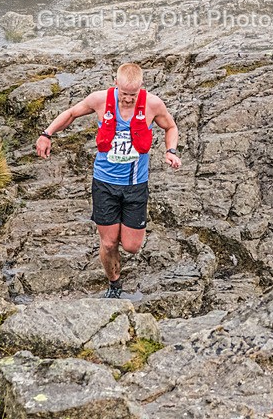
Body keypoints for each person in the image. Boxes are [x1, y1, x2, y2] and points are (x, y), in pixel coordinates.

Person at [36, 62, 180, 298]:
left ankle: (118, 238)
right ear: (116, 85)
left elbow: (170, 127)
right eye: (124, 94)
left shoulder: (153, 104)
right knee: (110, 243)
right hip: (104, 182)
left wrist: (170, 151)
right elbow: (71, 113)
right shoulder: (100, 100)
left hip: (135, 184)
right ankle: (114, 284)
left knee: (132, 247)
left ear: (141, 88)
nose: (127, 99)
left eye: (133, 95)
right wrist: (46, 134)